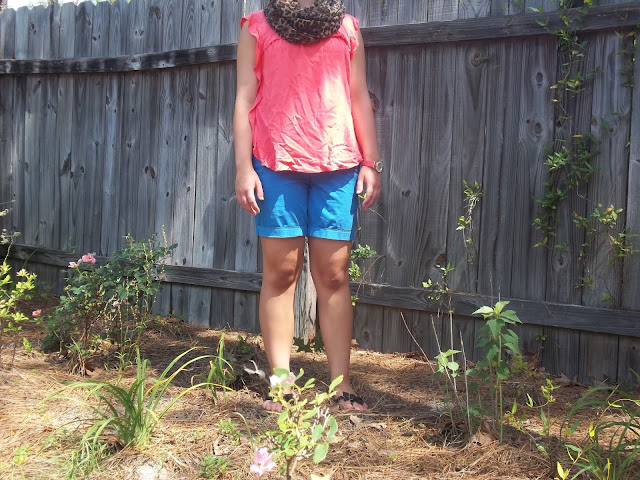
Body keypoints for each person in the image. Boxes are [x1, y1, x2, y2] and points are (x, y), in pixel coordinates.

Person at [233, 0, 381, 412]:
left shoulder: (347, 28)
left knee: (333, 275)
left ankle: (342, 386)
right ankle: (281, 385)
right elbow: (245, 98)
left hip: (338, 164)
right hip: (275, 162)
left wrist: (370, 161)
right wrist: (244, 167)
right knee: (281, 272)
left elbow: (357, 95)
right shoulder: (257, 26)